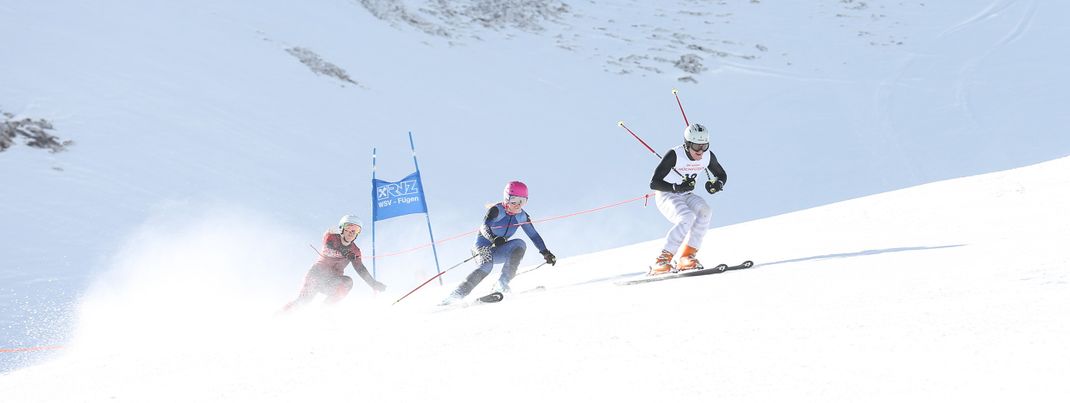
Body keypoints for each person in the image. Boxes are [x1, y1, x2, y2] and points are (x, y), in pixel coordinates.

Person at [442, 181, 557, 304]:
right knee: (486, 265)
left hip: (498, 250)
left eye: (522, 201)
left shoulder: (522, 216)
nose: (517, 205)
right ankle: (456, 295)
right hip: (482, 247)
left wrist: (545, 252)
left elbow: (533, 235)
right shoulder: (496, 210)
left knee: (520, 244)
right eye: (514, 201)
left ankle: (501, 285)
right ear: (507, 198)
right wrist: (494, 239)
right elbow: (484, 227)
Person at [648, 123, 728, 275]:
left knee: (705, 211)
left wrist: (717, 184)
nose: (700, 151)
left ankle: (687, 257)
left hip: (685, 194)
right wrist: (675, 188)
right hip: (666, 195)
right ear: (687, 144)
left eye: (704, 146)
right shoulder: (674, 155)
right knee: (687, 217)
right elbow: (654, 183)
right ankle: (661, 261)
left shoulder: (708, 156)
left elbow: (722, 174)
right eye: (696, 146)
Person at [281, 215, 386, 312]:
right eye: (349, 227)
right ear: (341, 228)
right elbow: (329, 246)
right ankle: (279, 317)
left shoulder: (355, 251)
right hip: (316, 276)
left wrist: (373, 283)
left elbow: (360, 268)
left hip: (331, 281)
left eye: (356, 230)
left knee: (347, 282)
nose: (352, 232)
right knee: (303, 302)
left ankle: (325, 312)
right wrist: (343, 251)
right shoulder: (331, 237)